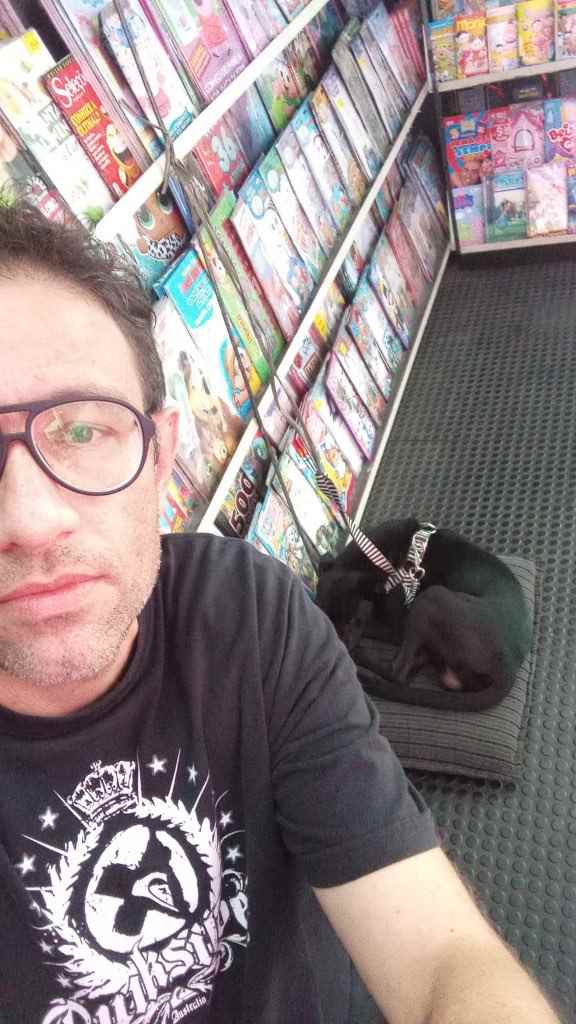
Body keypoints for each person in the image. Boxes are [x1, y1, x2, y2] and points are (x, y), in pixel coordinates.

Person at [0, 201, 561, 1024]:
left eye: (83, 431)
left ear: (162, 457)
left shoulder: (247, 611)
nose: (27, 519)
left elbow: (442, 959)